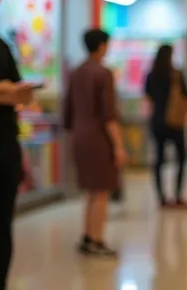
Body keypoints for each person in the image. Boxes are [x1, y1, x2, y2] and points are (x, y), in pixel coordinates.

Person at [0, 0, 35, 290]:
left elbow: (21, 92)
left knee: (3, 227)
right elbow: (8, 91)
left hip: (4, 146)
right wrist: (0, 90)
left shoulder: (1, 46)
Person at [64, 29, 127, 257]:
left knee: (91, 191)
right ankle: (97, 239)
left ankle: (87, 236)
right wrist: (118, 145)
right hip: (98, 139)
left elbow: (67, 112)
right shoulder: (104, 73)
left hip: (79, 136)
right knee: (102, 191)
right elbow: (108, 115)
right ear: (101, 46)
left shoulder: (75, 73)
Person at [144, 44, 187, 209]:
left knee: (159, 159)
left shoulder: (151, 75)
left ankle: (161, 197)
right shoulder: (176, 74)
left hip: (157, 121)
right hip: (175, 122)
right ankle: (178, 195)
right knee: (181, 158)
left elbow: (148, 95)